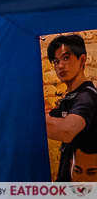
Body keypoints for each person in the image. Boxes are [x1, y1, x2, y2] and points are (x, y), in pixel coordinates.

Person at [46, 34, 97, 181]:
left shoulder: (87, 96)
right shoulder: (69, 98)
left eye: (66, 58)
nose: (60, 65)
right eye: (56, 61)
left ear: (82, 60)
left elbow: (66, 131)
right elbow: (50, 119)